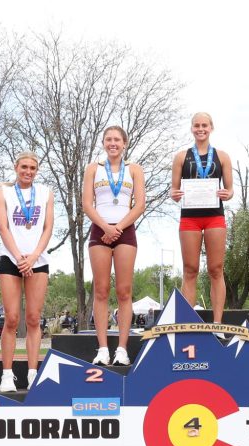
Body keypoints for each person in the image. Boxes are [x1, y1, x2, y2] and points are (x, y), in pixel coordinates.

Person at [82, 127, 145, 365]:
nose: (112, 143)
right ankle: (102, 348)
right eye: (108, 139)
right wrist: (106, 228)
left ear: (125, 143)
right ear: (103, 142)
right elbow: (87, 204)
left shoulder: (134, 169)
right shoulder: (93, 169)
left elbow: (140, 205)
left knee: (124, 291)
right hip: (100, 229)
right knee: (100, 290)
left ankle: (121, 348)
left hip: (125, 230)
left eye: (117, 139)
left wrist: (117, 228)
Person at [0, 151, 54, 390]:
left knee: (32, 318)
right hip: (12, 258)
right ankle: (7, 375)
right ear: (16, 167)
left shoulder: (46, 193)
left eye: (32, 168)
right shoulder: (3, 192)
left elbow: (48, 227)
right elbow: (2, 227)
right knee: (11, 319)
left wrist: (34, 257)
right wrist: (20, 257)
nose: (28, 172)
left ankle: (32, 373)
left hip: (38, 260)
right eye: (24, 167)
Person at [170, 112, 234, 320]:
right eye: (196, 125)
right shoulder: (181, 157)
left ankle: (217, 322)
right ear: (192, 128)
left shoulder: (222, 156)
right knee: (190, 269)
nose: (200, 129)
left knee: (216, 269)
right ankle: (188, 321)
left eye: (204, 125)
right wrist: (175, 195)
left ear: (211, 128)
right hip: (190, 218)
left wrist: (228, 193)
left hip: (215, 217)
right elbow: (173, 191)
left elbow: (230, 189)